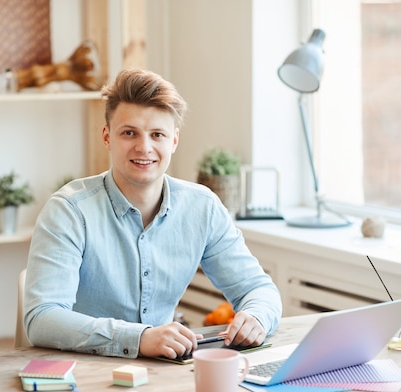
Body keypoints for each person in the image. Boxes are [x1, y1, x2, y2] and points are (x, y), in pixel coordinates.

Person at [24, 68, 282, 360]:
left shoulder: (203, 208)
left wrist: (256, 316)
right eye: (129, 133)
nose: (144, 147)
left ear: (173, 140)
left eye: (157, 134)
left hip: (163, 372)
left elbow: (259, 289)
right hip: (82, 372)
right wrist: (139, 338)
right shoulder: (68, 211)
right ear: (107, 137)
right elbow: (42, 319)